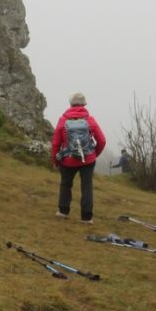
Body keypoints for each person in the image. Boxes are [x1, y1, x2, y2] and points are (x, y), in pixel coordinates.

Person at [51, 92, 107, 223]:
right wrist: (94, 154)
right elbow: (102, 141)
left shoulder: (63, 120)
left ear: (70, 104)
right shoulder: (90, 120)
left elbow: (55, 144)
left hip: (68, 159)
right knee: (86, 187)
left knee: (65, 184)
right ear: (84, 105)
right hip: (87, 160)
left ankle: (63, 211)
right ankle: (86, 218)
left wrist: (55, 160)